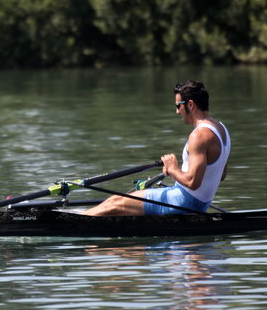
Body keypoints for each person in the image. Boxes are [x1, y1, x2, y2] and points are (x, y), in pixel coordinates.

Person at [84, 80, 230, 216]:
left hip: (183, 202)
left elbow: (192, 183)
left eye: (178, 106)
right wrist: (179, 172)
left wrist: (172, 168)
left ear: (190, 104)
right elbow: (221, 174)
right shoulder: (221, 129)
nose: (177, 111)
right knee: (121, 203)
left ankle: (78, 220)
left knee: (115, 202)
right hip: (199, 203)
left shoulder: (199, 136)